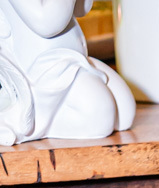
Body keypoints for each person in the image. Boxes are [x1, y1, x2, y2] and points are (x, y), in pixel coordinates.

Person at [0, 0, 135, 143]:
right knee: (100, 115)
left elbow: (81, 10)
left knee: (125, 113)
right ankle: (34, 125)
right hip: (44, 70)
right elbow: (47, 23)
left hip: (75, 59)